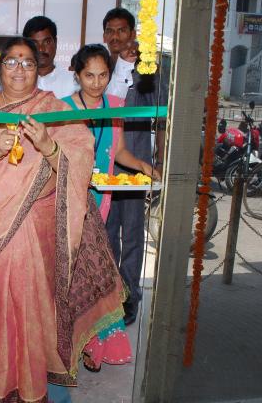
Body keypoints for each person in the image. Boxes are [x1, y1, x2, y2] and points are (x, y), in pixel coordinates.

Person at [0, 37, 128, 402]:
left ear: (38, 69)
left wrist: (48, 144)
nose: (19, 70)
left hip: (37, 225)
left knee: (31, 301)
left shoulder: (52, 110)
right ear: (0, 66)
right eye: (11, 62)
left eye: (28, 63)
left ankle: (29, 380)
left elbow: (80, 161)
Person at [62, 44, 160, 372]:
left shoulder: (115, 105)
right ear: (77, 75)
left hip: (101, 200)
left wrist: (143, 166)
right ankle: (72, 344)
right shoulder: (61, 108)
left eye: (103, 75)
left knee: (95, 277)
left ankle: (92, 342)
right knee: (75, 276)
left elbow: (118, 152)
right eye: (89, 75)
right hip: (69, 202)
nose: (97, 82)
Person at [103, 7, 168, 326]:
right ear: (104, 36)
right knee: (105, 233)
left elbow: (162, 117)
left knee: (131, 233)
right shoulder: (99, 68)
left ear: (132, 33)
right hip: (105, 165)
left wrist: (160, 158)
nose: (116, 36)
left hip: (135, 167)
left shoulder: (148, 70)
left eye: (122, 30)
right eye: (110, 31)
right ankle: (108, 293)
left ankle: (129, 295)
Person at [22, 15, 78, 99]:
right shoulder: (17, 81)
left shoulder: (73, 82)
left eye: (47, 42)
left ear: (55, 42)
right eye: (34, 43)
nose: (41, 49)